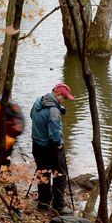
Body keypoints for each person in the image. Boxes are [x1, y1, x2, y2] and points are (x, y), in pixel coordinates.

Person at [30, 83, 75, 215]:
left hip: (37, 145)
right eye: (64, 97)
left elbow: (32, 115)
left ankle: (43, 204)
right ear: (58, 94)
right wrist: (60, 144)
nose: (64, 100)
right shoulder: (54, 111)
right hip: (51, 147)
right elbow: (54, 134)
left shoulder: (38, 101)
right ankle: (58, 206)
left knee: (43, 172)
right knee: (60, 174)